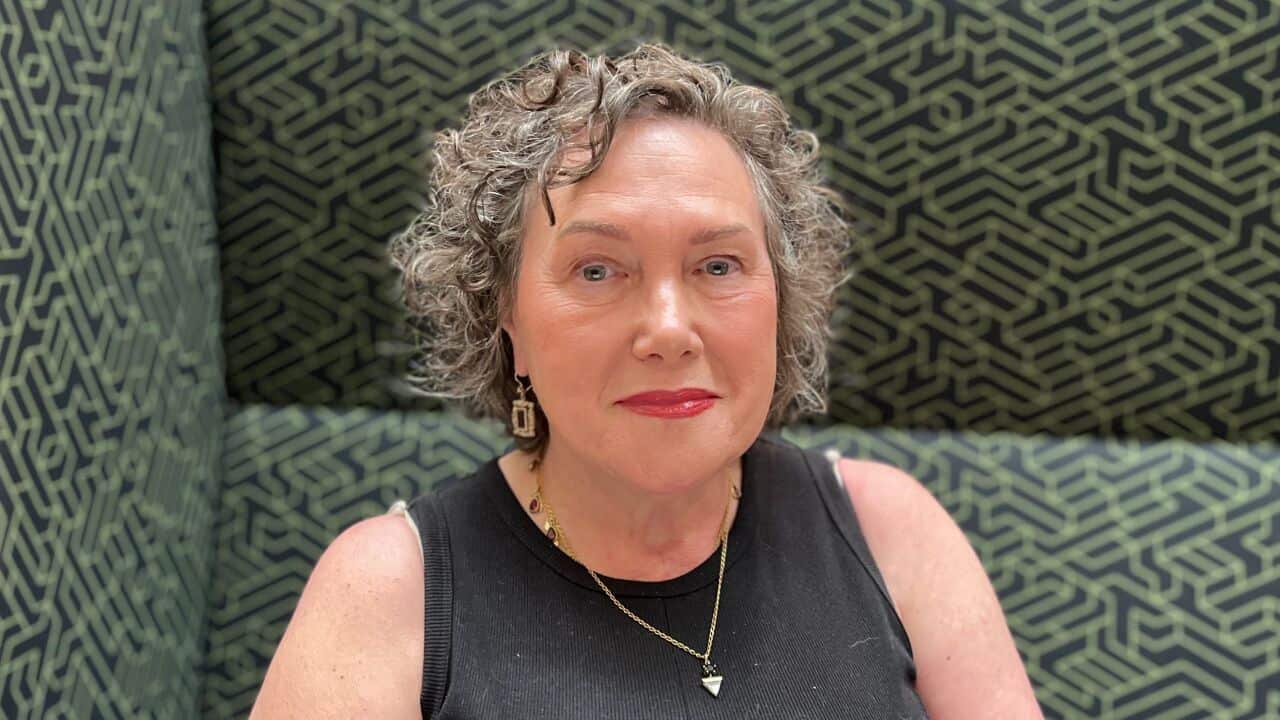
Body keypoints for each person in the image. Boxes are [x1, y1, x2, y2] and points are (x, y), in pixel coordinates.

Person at [250, 42, 1043, 718]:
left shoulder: (891, 530)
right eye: (598, 270)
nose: (668, 329)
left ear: (781, 300)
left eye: (719, 265)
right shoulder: (390, 589)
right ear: (507, 320)